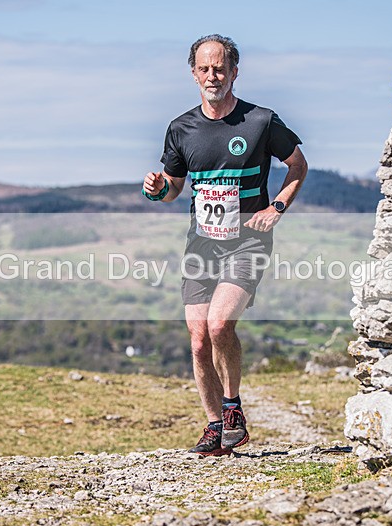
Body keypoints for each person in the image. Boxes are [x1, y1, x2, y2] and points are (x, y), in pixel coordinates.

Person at [142, 34, 307, 456]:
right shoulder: (181, 128)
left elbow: (297, 165)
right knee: (198, 339)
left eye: (220, 68)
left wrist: (277, 207)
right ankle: (215, 427)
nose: (212, 76)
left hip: (248, 241)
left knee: (219, 326)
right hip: (202, 245)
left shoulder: (261, 121)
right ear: (193, 73)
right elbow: (175, 189)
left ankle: (233, 408)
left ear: (234, 71)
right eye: (204, 69)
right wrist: (158, 189)